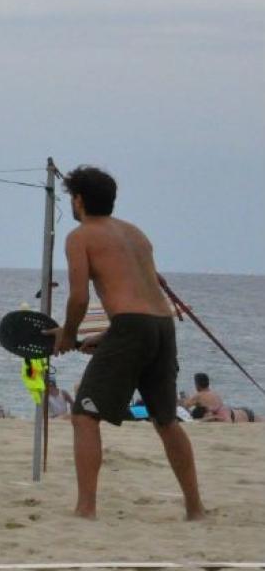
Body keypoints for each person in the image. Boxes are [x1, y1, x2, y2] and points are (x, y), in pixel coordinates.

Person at [54, 165, 203, 520]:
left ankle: (85, 509)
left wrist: (69, 335)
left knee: (84, 415)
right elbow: (142, 298)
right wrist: (107, 337)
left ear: (78, 200)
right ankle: (195, 509)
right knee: (167, 420)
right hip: (162, 325)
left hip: (133, 328)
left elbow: (78, 299)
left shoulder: (81, 236)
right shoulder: (137, 234)